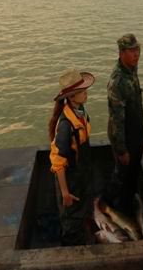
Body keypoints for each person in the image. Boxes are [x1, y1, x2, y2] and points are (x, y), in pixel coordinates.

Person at [49, 68, 95, 246]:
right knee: (71, 220)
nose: (86, 94)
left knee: (83, 212)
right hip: (69, 179)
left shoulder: (81, 112)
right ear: (71, 97)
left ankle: (83, 238)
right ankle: (72, 247)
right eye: (82, 92)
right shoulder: (65, 126)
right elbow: (58, 164)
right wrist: (65, 193)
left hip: (81, 175)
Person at [104, 34, 143, 215]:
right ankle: (109, 205)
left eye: (137, 50)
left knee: (132, 173)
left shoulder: (131, 69)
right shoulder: (118, 82)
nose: (136, 54)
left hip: (136, 134)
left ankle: (127, 201)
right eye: (132, 51)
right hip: (125, 137)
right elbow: (116, 120)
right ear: (121, 53)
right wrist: (122, 150)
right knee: (121, 174)